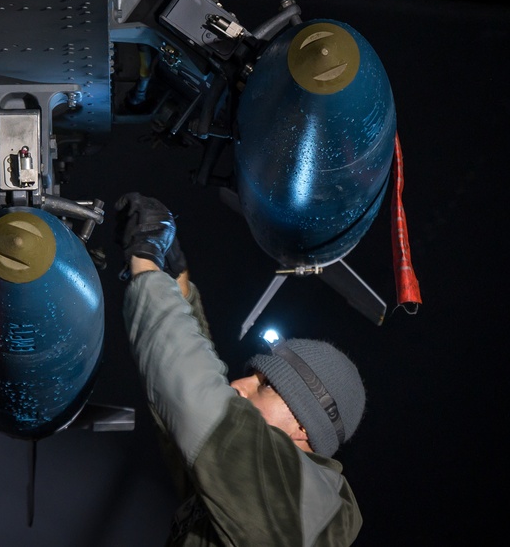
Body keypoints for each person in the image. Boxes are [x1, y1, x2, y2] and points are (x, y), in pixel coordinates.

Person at [114, 192, 367, 546]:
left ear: (304, 427)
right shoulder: (250, 498)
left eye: (265, 386)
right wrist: (177, 283)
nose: (239, 385)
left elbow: (197, 405)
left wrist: (145, 264)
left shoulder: (309, 508)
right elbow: (192, 421)